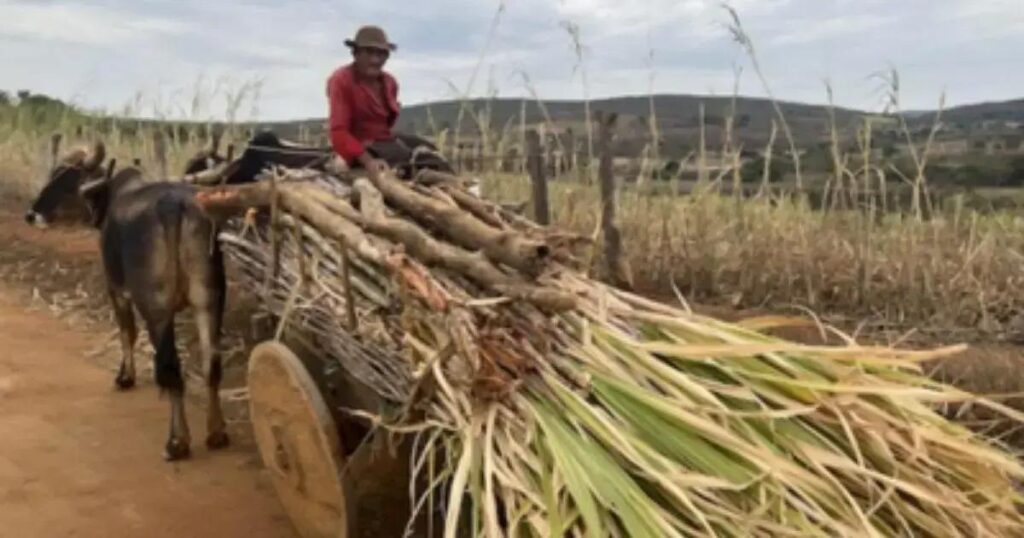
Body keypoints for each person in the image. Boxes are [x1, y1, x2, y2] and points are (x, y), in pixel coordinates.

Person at [326, 25, 452, 179]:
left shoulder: (390, 83)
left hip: (384, 140)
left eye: (381, 54)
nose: (375, 60)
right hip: (358, 146)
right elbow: (339, 132)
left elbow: (385, 126)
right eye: (369, 52)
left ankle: (456, 183)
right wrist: (368, 161)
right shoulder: (341, 80)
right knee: (405, 160)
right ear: (355, 53)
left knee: (428, 150)